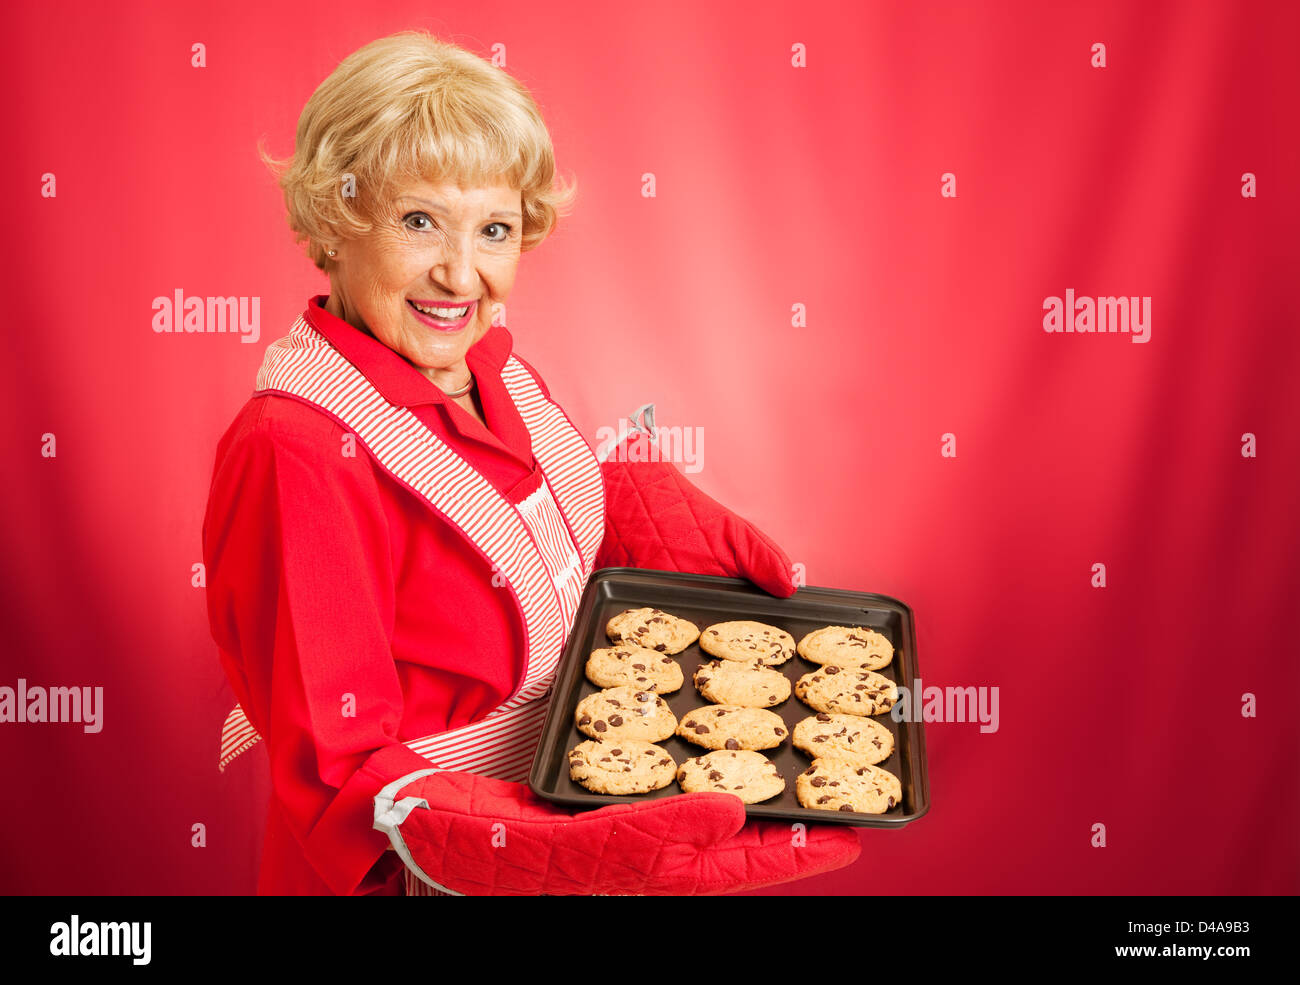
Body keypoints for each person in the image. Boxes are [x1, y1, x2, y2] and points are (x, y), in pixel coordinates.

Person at [202, 30, 859, 896]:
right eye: (418, 220)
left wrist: (633, 504)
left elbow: (495, 519)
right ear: (336, 219)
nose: (460, 272)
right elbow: (338, 765)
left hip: (567, 797)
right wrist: (536, 850)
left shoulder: (490, 369)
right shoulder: (297, 449)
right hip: (426, 868)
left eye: (495, 228)